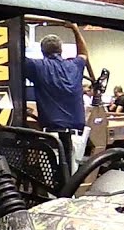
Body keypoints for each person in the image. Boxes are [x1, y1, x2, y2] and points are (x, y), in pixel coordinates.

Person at [22, 24, 91, 171]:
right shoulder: (75, 66)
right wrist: (75, 29)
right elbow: (84, 53)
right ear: (61, 50)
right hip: (76, 138)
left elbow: (15, 57)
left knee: (53, 188)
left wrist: (18, 35)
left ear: (42, 51)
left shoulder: (37, 67)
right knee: (72, 184)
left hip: (53, 138)